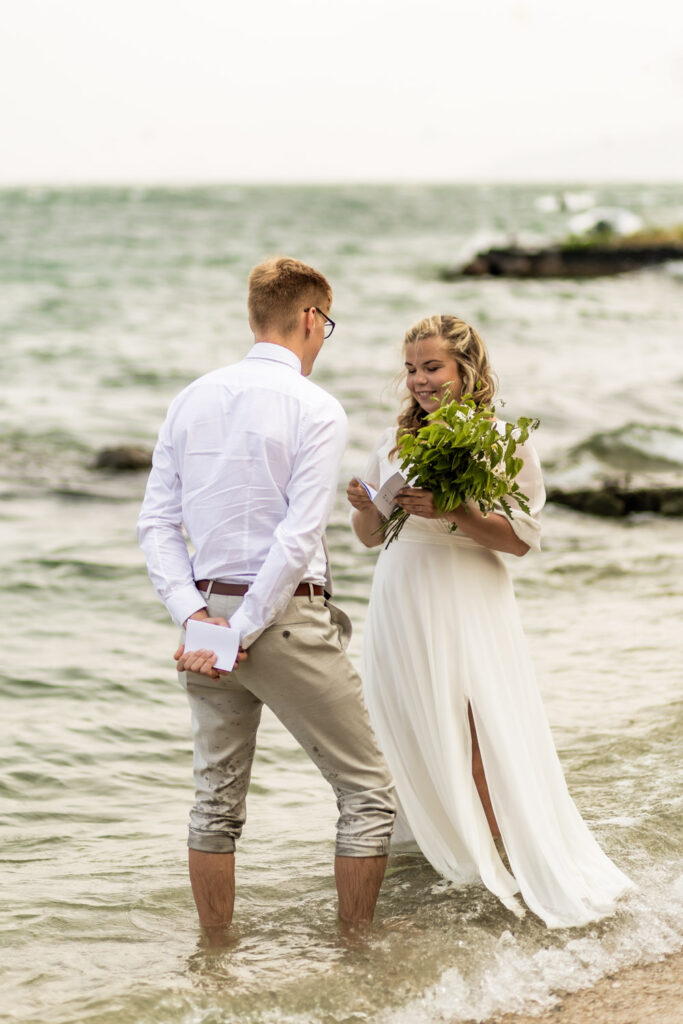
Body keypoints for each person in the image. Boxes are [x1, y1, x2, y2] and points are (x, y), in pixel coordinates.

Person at [347, 314, 632, 928]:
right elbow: (371, 538)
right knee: (405, 726)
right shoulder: (392, 444)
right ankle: (438, 863)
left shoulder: (502, 440)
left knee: (478, 731)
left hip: (466, 593)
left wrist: (457, 512)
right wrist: (365, 507)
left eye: (432, 367)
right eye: (412, 369)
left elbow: (521, 539)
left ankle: (502, 866)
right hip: (400, 591)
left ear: (464, 369)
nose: (420, 380)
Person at [137, 256, 396, 933]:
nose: (322, 337)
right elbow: (297, 533)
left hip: (206, 618)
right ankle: (358, 954)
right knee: (366, 792)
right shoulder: (315, 406)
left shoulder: (190, 397)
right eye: (325, 325)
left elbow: (156, 526)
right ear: (310, 318)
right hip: (279, 619)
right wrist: (243, 629)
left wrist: (197, 620)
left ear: (255, 316)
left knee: (213, 802)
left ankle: (215, 958)